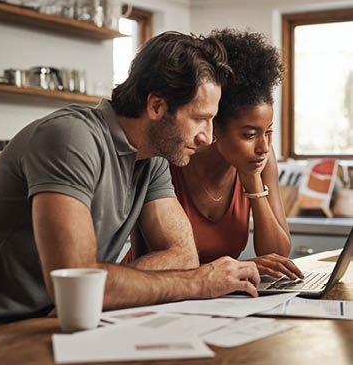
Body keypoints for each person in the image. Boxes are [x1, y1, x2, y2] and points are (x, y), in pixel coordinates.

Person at [0, 31, 260, 335]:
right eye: (199, 118)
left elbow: (182, 256)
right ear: (156, 106)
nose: (206, 137)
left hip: (66, 323)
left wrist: (103, 288)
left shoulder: (153, 158)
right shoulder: (69, 139)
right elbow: (77, 283)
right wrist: (196, 283)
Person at [127, 29, 302, 281]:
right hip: (153, 290)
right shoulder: (170, 158)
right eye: (250, 135)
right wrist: (241, 266)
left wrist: (252, 180)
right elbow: (152, 259)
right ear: (214, 126)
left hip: (216, 296)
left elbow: (278, 255)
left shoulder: (260, 160)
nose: (264, 147)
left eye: (269, 132)